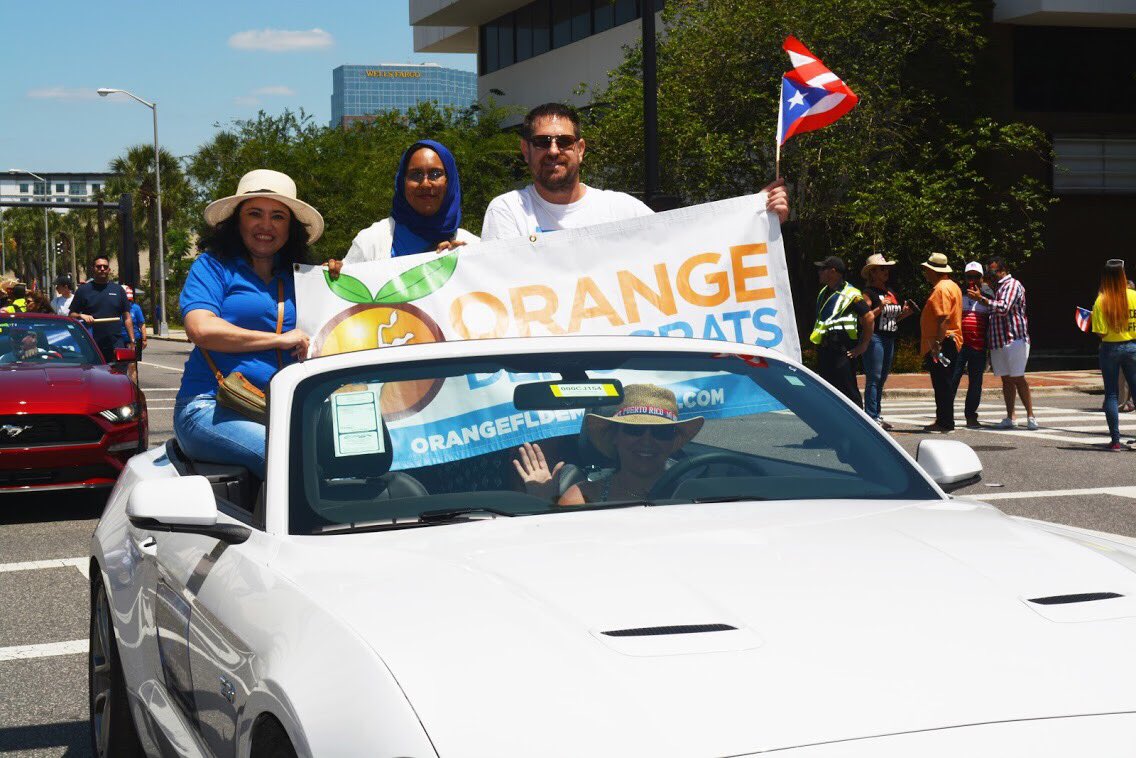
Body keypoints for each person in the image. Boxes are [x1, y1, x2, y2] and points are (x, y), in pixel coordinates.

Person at [175, 169, 322, 479]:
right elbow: (200, 329)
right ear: (237, 221)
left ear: (290, 226)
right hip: (210, 406)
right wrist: (278, 339)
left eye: (278, 216)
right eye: (255, 213)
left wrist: (338, 279)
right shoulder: (212, 266)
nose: (266, 225)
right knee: (287, 459)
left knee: (361, 449)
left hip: (281, 411)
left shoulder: (302, 277)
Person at [480, 102, 789, 241]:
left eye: (564, 141)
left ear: (581, 149)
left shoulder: (621, 209)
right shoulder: (508, 211)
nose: (553, 151)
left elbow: (685, 244)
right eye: (542, 141)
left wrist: (753, 215)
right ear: (526, 150)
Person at [513, 384, 704, 505]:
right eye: (635, 430)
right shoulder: (582, 498)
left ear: (672, 442)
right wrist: (543, 503)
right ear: (615, 437)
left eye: (660, 432)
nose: (647, 441)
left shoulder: (699, 498)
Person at [327, 140, 478, 278]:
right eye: (416, 175)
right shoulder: (371, 241)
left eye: (435, 174)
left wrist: (468, 265)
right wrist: (332, 275)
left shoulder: (474, 247)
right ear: (402, 182)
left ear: (449, 182)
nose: (425, 183)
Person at [972, 257, 1036, 430]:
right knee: (1006, 380)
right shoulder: (997, 287)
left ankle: (1031, 416)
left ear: (1002, 270)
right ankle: (1011, 417)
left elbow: (1003, 308)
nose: (990, 275)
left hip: (1014, 338)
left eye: (993, 272)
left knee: (1018, 377)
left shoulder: (1012, 285)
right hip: (999, 340)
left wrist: (982, 299)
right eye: (989, 272)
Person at [860, 254, 915, 429]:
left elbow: (891, 319)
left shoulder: (890, 292)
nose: (886, 272)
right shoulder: (868, 293)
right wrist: (880, 308)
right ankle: (871, 415)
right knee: (874, 377)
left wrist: (904, 313)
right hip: (875, 337)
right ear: (873, 273)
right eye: (882, 269)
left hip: (889, 337)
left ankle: (877, 415)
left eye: (887, 269)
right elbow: (865, 318)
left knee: (882, 378)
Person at [810, 255, 873, 407]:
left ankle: (859, 427)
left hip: (842, 351)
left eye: (822, 269)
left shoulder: (851, 293)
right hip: (825, 350)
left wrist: (863, 345)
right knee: (828, 392)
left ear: (832, 271)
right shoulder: (824, 292)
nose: (819, 272)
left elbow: (869, 316)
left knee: (849, 392)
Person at [1090, 259, 1136, 451]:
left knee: (1111, 394)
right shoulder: (1134, 295)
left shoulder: (1102, 300)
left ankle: (1115, 440)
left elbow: (1100, 332)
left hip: (1110, 348)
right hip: (1133, 346)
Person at [919, 252, 963, 433]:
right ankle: (944, 420)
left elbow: (943, 318)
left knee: (942, 383)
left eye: (926, 270)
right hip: (949, 340)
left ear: (933, 270)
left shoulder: (941, 289)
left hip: (942, 342)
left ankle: (945, 423)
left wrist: (937, 343)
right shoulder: (952, 286)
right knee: (944, 383)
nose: (925, 273)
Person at [952, 261, 995, 429]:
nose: (972, 280)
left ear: (981, 277)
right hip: (960, 345)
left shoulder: (988, 295)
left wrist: (981, 298)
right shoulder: (958, 294)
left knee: (976, 383)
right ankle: (946, 416)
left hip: (979, 346)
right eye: (969, 276)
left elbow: (995, 312)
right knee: (952, 380)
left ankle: (971, 416)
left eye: (976, 276)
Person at [69, 258, 134, 363]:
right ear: (93, 269)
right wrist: (82, 316)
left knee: (119, 374)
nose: (102, 269)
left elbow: (127, 317)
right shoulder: (83, 290)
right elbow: (71, 315)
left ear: (109, 270)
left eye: (105, 267)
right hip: (91, 343)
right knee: (94, 375)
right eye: (99, 267)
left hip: (115, 342)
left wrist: (132, 340)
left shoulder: (118, 290)